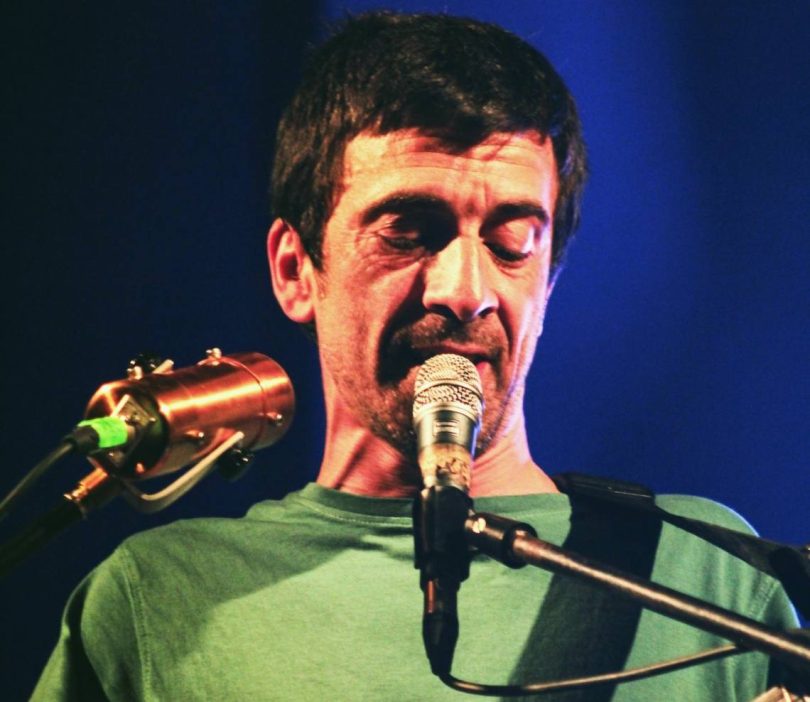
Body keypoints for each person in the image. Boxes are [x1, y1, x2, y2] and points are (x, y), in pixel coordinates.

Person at [32, 11, 798, 701]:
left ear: (550, 278)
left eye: (512, 241)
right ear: (295, 271)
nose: (465, 291)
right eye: (407, 231)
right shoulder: (159, 598)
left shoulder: (707, 577)